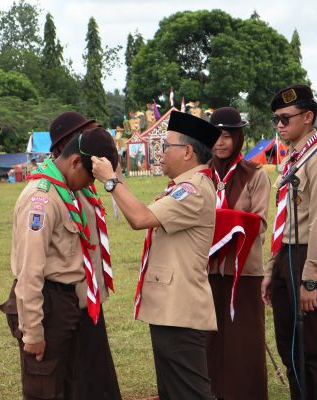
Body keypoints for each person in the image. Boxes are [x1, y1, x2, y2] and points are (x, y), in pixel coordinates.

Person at [91, 110, 221, 400]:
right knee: (174, 391)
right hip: (171, 308)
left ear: (187, 152)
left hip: (181, 310)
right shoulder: (182, 187)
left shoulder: (192, 190)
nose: (160, 153)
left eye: (166, 146)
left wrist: (110, 181)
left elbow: (139, 218)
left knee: (191, 393)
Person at [0, 129, 119, 400]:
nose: (88, 184)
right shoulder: (41, 199)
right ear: (76, 162)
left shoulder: (67, 190)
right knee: (46, 388)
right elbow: (29, 271)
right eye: (89, 177)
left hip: (70, 303)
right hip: (48, 304)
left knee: (77, 384)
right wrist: (33, 332)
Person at [262, 84, 317, 400]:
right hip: (287, 256)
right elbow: (284, 218)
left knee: (315, 349)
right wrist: (272, 269)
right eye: (276, 120)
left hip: (310, 257)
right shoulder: (293, 158)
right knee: (290, 346)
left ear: (308, 117)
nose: (279, 126)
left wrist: (310, 279)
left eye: (285, 118)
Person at [48, 111, 122, 399]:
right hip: (67, 299)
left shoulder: (83, 187)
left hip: (90, 297)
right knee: (75, 377)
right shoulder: (53, 191)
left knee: (96, 373)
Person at [207, 107, 271, 400]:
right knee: (211, 337)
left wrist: (225, 226)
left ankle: (247, 393)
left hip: (243, 272)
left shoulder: (256, 175)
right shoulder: (200, 176)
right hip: (206, 271)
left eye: (226, 136)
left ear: (238, 137)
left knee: (244, 339)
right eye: (214, 137)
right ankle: (214, 392)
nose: (220, 143)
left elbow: (259, 222)